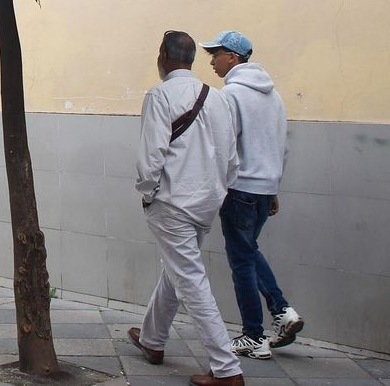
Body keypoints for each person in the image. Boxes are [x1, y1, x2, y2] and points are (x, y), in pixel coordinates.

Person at [128, 30, 244, 386]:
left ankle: (226, 368)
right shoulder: (218, 98)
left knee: (190, 279)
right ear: (191, 58)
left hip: (173, 202)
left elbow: (150, 160)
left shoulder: (160, 95)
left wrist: (149, 193)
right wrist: (217, 189)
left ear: (163, 57)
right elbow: (232, 159)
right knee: (178, 270)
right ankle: (152, 340)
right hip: (209, 200)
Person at [203, 31, 304, 358]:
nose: (212, 61)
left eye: (216, 54)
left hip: (240, 189)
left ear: (233, 56)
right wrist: (273, 188)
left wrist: (218, 185)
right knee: (248, 251)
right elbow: (281, 147)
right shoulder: (273, 96)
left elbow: (224, 146)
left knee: (241, 261)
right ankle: (282, 311)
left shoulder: (230, 95)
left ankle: (254, 336)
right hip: (264, 189)